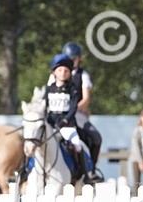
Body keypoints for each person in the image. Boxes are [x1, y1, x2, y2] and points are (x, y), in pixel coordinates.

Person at [44, 54, 103, 184]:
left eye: (66, 71)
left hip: (67, 125)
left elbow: (73, 108)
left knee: (77, 144)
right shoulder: (49, 89)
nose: (63, 73)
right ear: (54, 72)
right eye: (60, 70)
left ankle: (87, 174)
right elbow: (45, 105)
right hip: (51, 124)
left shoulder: (73, 89)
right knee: (34, 141)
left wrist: (65, 120)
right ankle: (25, 171)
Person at [54, 41, 103, 171]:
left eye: (74, 59)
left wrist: (71, 110)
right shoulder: (56, 74)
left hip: (76, 113)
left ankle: (91, 170)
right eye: (68, 58)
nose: (71, 61)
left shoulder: (83, 75)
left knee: (96, 137)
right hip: (55, 113)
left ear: (79, 59)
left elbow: (86, 98)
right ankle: (25, 168)